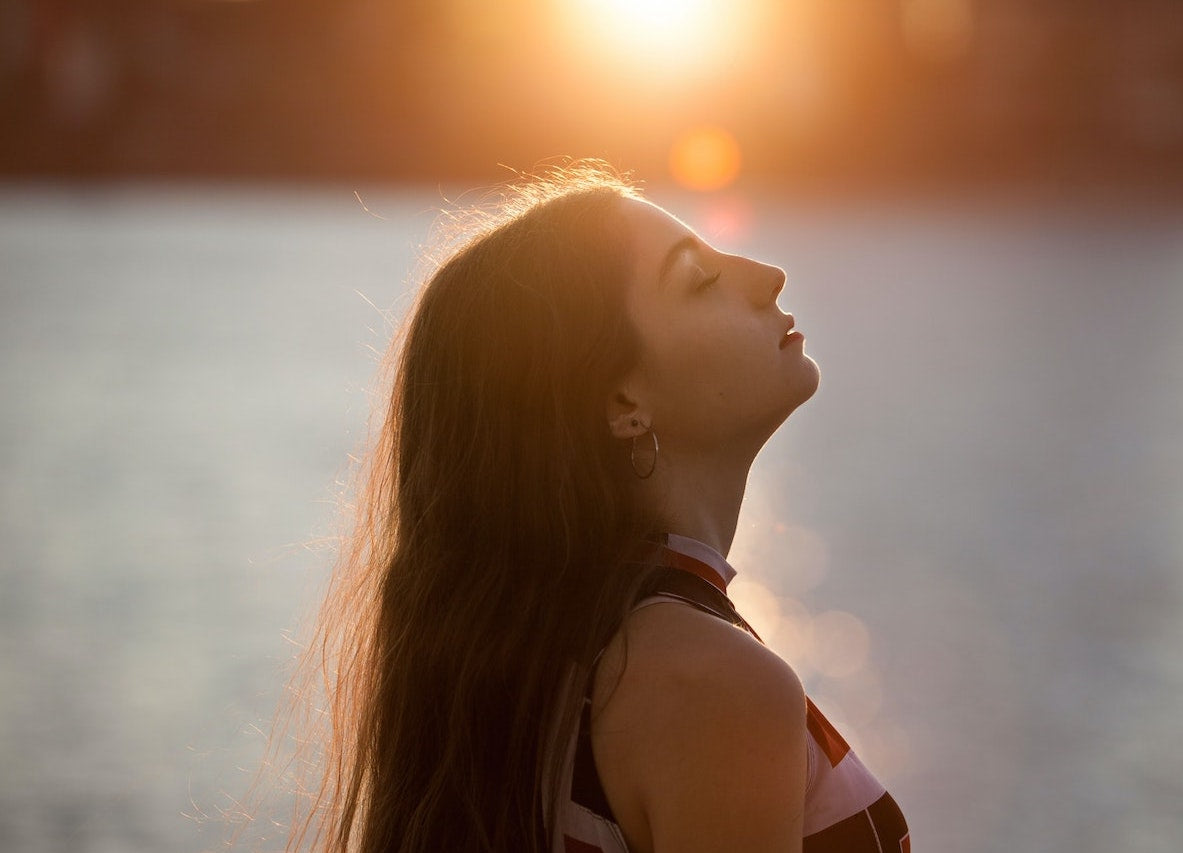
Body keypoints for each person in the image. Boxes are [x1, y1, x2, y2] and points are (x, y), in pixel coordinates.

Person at [278, 162, 909, 853]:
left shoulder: (542, 669)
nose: (767, 275)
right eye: (699, 280)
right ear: (622, 403)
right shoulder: (709, 684)